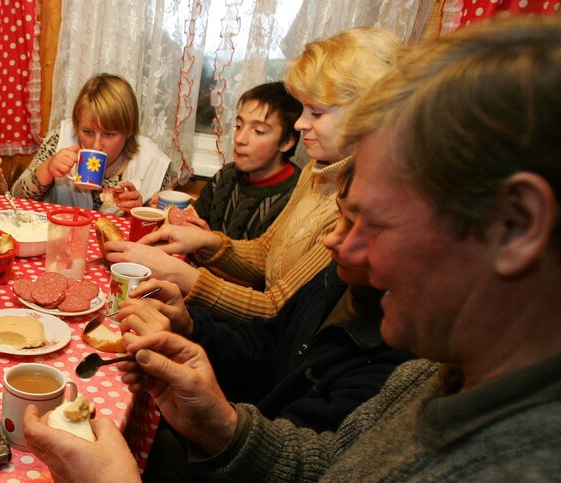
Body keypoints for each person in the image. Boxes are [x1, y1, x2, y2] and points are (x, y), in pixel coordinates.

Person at [25, 15, 561, 483]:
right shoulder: (444, 375)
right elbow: (339, 476)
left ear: (516, 225)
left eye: (375, 220)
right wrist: (228, 429)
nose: (346, 251)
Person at [106, 28, 403, 322]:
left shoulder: (356, 208)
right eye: (303, 110)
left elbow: (277, 310)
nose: (300, 124)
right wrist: (205, 241)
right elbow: (266, 252)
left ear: (367, 115)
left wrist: (182, 274)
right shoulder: (318, 171)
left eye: (317, 113)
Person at [120, 161, 412, 435]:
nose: (331, 240)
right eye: (342, 219)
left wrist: (219, 425)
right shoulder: (336, 278)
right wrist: (190, 324)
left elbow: (290, 460)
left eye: (359, 228)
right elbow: (265, 345)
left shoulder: (392, 365)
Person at [9, 73, 173, 215]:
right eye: (87, 132)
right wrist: (48, 169)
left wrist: (138, 212)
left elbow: (162, 233)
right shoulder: (62, 137)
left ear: (128, 131)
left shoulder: (153, 162)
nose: (95, 145)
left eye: (109, 134)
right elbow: (14, 199)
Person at [189, 82, 303, 240]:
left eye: (258, 131)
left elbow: (266, 264)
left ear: (287, 142)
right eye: (239, 126)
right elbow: (194, 224)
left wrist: (211, 245)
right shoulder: (226, 177)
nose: (240, 139)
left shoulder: (297, 198)